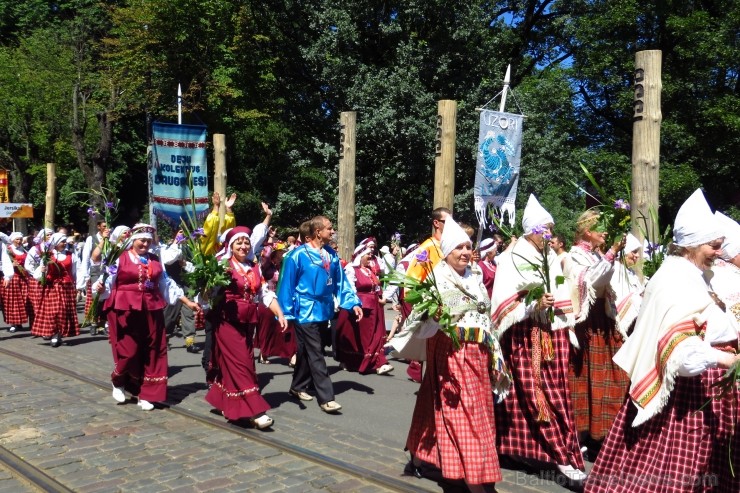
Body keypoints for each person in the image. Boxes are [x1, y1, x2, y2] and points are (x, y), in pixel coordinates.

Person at [585, 189, 740, 493]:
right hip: (687, 391)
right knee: (674, 466)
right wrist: (722, 359)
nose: (718, 252)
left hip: (707, 380)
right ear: (691, 245)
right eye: (713, 246)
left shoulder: (693, 273)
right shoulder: (675, 278)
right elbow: (678, 351)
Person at [401, 217, 509, 492]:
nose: (464, 252)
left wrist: (494, 353)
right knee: (465, 413)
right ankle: (475, 479)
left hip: (477, 355)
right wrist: (434, 315)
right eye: (458, 247)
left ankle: (419, 454)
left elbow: (485, 316)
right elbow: (420, 316)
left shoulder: (473, 277)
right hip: (452, 353)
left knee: (443, 405)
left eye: (467, 246)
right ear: (446, 251)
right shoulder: (436, 277)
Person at [490, 194, 585, 484]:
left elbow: (560, 291)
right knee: (534, 395)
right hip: (526, 335)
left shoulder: (548, 256)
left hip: (550, 334)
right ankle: (558, 455)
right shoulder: (511, 257)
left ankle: (536, 448)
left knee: (554, 393)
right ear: (533, 230)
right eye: (547, 230)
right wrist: (532, 306)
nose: (551, 236)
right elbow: (503, 301)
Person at [97, 223, 200, 411]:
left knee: (153, 350)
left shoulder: (154, 258)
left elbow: (165, 282)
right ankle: (118, 381)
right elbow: (108, 278)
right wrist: (102, 288)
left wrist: (187, 302)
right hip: (125, 309)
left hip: (151, 309)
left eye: (147, 240)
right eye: (141, 240)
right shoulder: (120, 257)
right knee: (129, 351)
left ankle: (146, 394)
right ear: (132, 240)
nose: (144, 243)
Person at [276, 215, 362, 414]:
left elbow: (341, 283)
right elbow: (286, 286)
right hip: (304, 310)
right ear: (317, 232)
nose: (332, 231)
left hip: (324, 310)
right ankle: (326, 397)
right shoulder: (297, 256)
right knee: (317, 353)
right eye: (329, 228)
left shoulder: (331, 255)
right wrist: (285, 313)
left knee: (307, 350)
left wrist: (352, 303)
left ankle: (297, 386)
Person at [205, 227, 287, 429]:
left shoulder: (253, 267)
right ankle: (254, 410)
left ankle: (222, 399)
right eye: (238, 242)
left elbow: (264, 293)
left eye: (246, 242)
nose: (243, 246)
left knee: (243, 361)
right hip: (227, 321)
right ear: (230, 246)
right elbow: (207, 294)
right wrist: (207, 286)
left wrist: (280, 313)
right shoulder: (222, 265)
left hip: (248, 322)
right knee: (242, 364)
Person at [564, 209, 629, 452]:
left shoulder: (595, 254)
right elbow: (591, 281)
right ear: (588, 232)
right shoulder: (574, 256)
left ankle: (603, 432)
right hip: (586, 323)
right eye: (600, 227)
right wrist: (611, 253)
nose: (605, 232)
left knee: (611, 374)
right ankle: (581, 435)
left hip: (603, 319)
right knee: (585, 377)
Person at [390, 208, 450, 382]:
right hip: (434, 309)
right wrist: (424, 305)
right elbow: (413, 280)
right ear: (436, 223)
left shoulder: (448, 246)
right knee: (431, 350)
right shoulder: (428, 248)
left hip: (449, 307)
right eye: (447, 222)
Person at [335, 244, 393, 374]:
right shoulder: (352, 269)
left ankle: (379, 362)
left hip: (375, 307)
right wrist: (355, 304)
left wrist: (383, 298)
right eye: (368, 255)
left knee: (376, 335)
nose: (370, 257)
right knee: (363, 337)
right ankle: (359, 361)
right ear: (360, 256)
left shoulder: (370, 270)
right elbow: (350, 288)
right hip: (361, 307)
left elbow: (377, 287)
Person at [30, 232, 80, 347]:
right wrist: (42, 271)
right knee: (53, 312)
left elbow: (75, 271)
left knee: (62, 312)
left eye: (64, 241)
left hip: (65, 287)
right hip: (51, 286)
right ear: (56, 243)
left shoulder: (71, 255)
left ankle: (58, 334)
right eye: (62, 242)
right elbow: (40, 271)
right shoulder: (48, 255)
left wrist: (78, 286)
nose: (64, 243)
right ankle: (54, 333)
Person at [255, 245, 297, 367]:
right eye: (280, 256)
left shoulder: (288, 269)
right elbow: (266, 255)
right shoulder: (267, 267)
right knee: (267, 329)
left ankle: (292, 355)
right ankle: (264, 352)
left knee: (288, 329)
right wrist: (270, 244)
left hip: (283, 303)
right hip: (267, 302)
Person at [609, 232, 646, 338]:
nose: (637, 256)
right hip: (622, 326)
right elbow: (618, 298)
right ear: (624, 252)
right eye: (634, 252)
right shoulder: (615, 269)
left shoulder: (630, 272)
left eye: (637, 252)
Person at [1, 232, 32, 333]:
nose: (19, 241)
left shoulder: (23, 250)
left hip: (23, 278)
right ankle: (13, 323)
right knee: (13, 302)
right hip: (13, 278)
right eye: (17, 239)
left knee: (24, 301)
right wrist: (11, 265)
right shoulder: (8, 250)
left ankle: (19, 321)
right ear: (13, 240)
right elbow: (4, 263)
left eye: (20, 239)